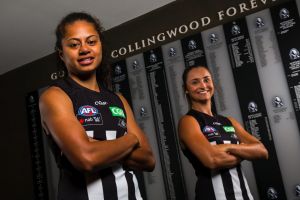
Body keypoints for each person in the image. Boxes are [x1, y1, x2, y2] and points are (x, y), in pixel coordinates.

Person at [39, 12, 155, 200]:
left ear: (100, 45)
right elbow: (87, 158)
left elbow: (148, 159)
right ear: (62, 53)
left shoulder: (118, 99)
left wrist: (96, 145)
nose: (84, 49)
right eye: (74, 44)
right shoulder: (56, 96)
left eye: (91, 41)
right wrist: (131, 140)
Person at [178, 65, 268, 200]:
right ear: (186, 89)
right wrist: (245, 151)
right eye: (195, 82)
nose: (203, 85)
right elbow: (212, 160)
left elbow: (262, 151)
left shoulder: (229, 121)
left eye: (206, 80)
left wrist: (228, 148)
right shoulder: (188, 121)